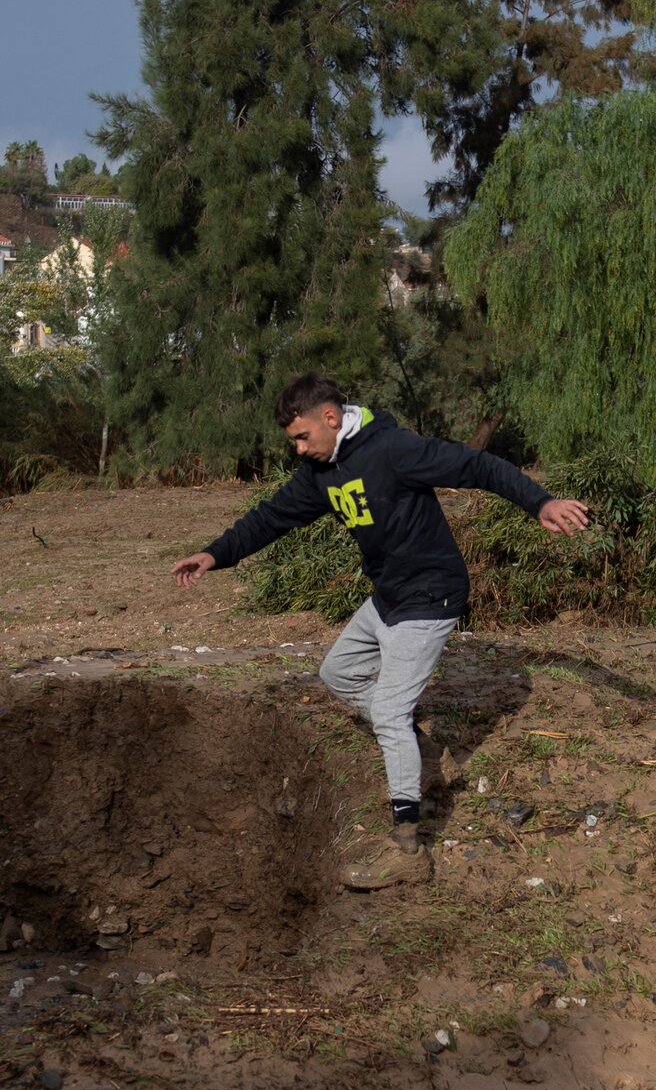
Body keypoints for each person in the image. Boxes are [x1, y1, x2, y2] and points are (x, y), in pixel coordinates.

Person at [172, 372, 590, 889]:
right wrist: (216, 553)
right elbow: (271, 517)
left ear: (331, 418)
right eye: (293, 441)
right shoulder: (320, 470)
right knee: (338, 671)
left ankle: (408, 848)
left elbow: (476, 465)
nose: (299, 449)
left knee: (390, 711)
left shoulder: (393, 449)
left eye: (303, 436)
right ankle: (423, 751)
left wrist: (540, 502)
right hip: (390, 595)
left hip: (431, 594)